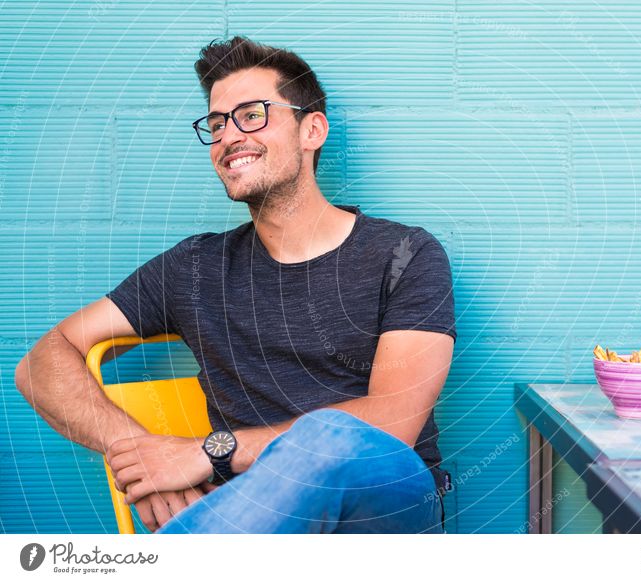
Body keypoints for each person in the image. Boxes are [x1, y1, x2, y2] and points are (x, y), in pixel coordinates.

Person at [15, 36, 456, 534]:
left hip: (386, 511)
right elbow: (43, 361)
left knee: (332, 434)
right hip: (256, 520)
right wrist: (145, 455)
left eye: (251, 114)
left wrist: (206, 455)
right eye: (218, 123)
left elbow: (391, 423)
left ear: (312, 130)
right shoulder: (195, 266)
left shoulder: (406, 254)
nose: (228, 136)